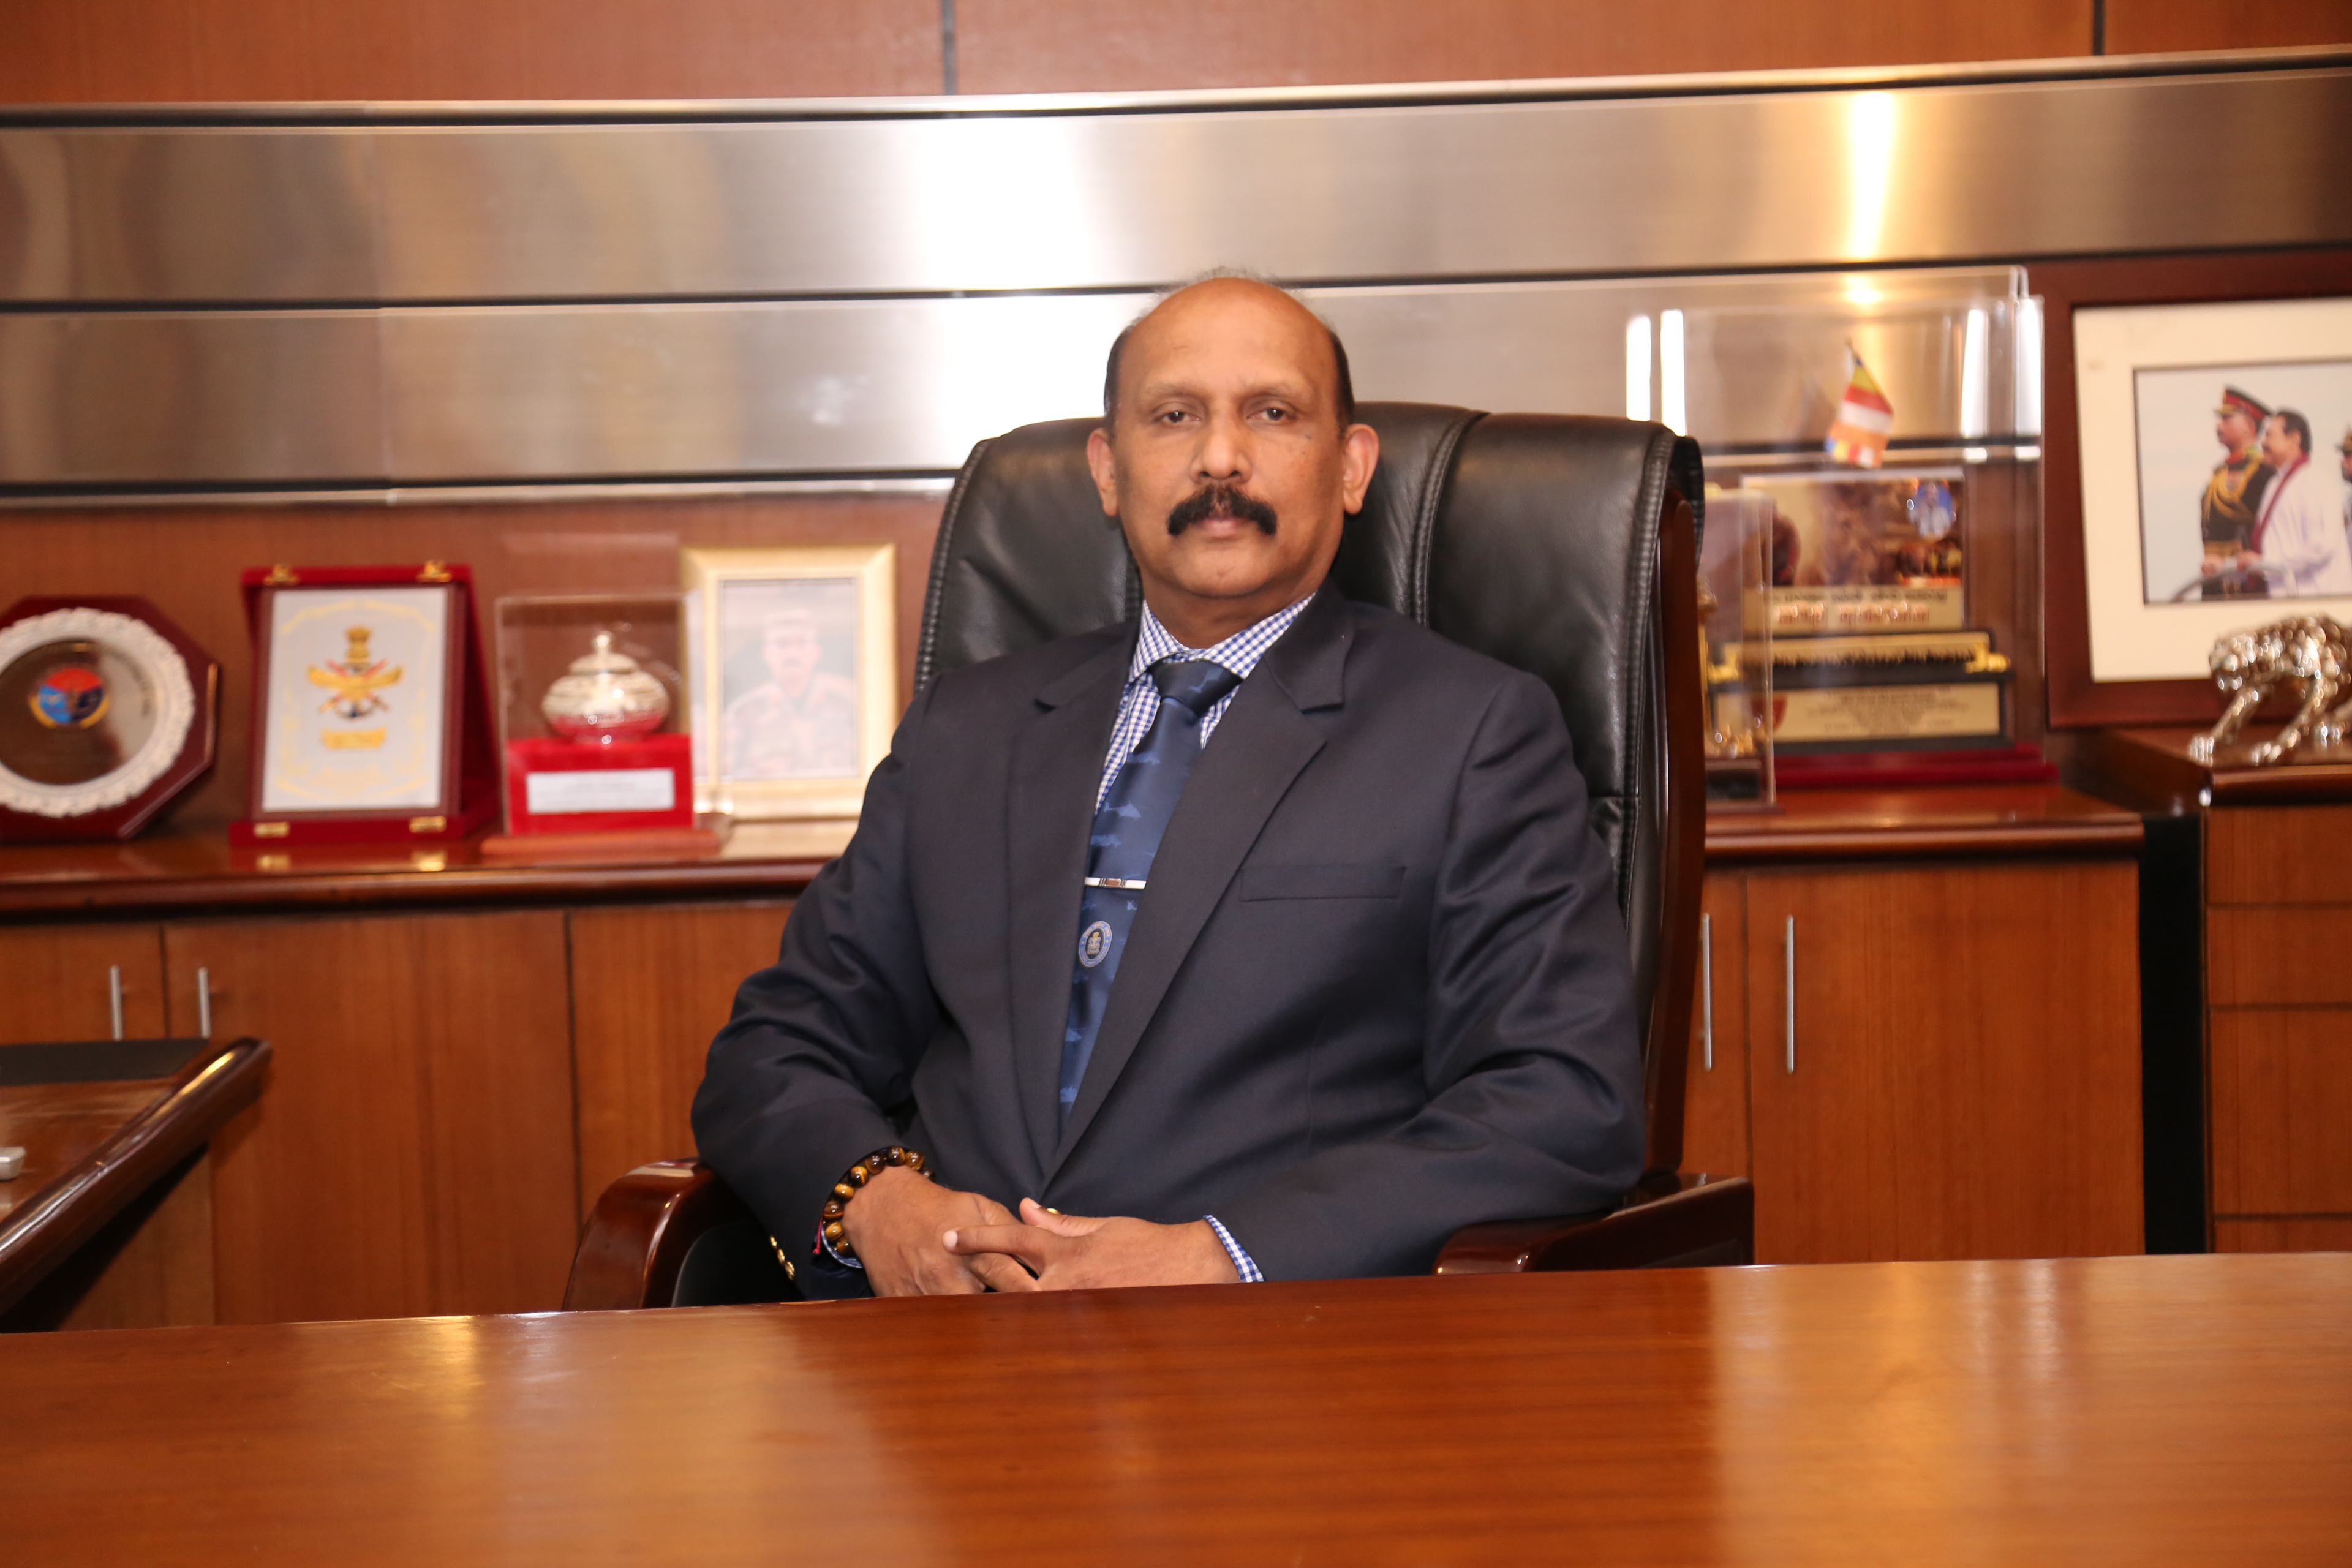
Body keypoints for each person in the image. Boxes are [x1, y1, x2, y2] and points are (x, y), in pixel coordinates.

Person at [692, 274, 1643, 1298]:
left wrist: (1218, 1253)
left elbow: (1561, 1097)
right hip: (931, 1365)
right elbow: (777, 1048)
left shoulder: (1472, 734)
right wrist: (878, 1204)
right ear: (1108, 470)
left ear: (1352, 466)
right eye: (1174, 416)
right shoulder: (966, 732)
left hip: (1272, 1373)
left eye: (1271, 414)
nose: (1221, 458)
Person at [721, 605, 859, 778]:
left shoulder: (848, 704)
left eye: (801, 643)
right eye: (782, 645)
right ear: (767, 653)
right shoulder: (744, 712)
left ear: (816, 652)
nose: (792, 653)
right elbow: (729, 776)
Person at [2237, 408, 2352, 598]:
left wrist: (2266, 563)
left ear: (2293, 439)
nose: (2263, 443)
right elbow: (2272, 549)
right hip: (2284, 602)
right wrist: (2227, 565)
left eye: (2269, 435)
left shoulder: (2316, 481)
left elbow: (2322, 546)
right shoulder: (2275, 484)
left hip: (2319, 606)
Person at [2197, 386, 2276, 600]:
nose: (2219, 426)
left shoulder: (2263, 472)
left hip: (2246, 582)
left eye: (2227, 418)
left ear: (2249, 425)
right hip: (2213, 577)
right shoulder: (2218, 473)